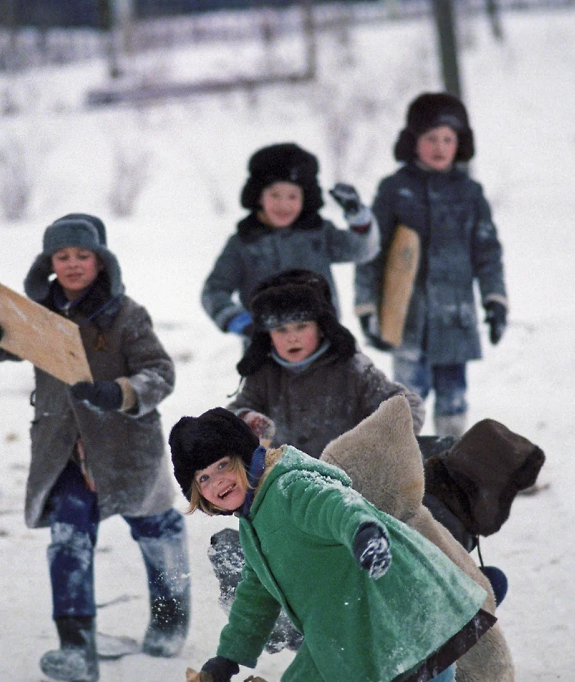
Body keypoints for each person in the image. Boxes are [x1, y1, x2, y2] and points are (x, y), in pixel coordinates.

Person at [169, 409, 572, 682]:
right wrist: (230, 656)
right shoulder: (253, 522)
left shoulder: (292, 485)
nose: (217, 481)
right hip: (347, 626)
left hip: (399, 612)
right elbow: (255, 593)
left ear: (245, 458)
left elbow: (338, 507)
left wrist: (363, 532)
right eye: (203, 478)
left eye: (223, 466)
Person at [0, 213, 190, 682]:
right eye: (61, 257)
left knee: (156, 529)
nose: (72, 265)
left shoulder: (128, 316)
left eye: (82, 256)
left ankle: (170, 616)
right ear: (49, 263)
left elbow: (160, 373)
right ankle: (75, 647)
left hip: (126, 448)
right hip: (63, 450)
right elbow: (3, 342)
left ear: (101, 261)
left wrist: (120, 392)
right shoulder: (37, 314)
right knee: (68, 536)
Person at [355, 93, 508, 438]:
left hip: (455, 318)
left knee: (454, 397)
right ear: (413, 142)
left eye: (448, 139)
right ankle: (408, 468)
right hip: (408, 319)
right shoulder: (395, 190)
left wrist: (495, 300)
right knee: (408, 400)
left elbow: (488, 253)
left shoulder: (470, 193)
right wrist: (368, 307)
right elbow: (371, 253)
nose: (439, 147)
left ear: (460, 143)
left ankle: (449, 461)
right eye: (430, 138)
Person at [228, 268, 423, 459]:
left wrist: (384, 439)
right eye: (281, 330)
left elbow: (405, 405)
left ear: (321, 328)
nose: (291, 338)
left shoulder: (352, 368)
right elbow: (230, 418)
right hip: (286, 482)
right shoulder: (263, 375)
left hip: (346, 481)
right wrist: (245, 420)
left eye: (301, 326)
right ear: (268, 337)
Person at [202, 143, 379, 339]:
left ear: (306, 198)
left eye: (292, 196)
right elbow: (214, 290)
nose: (283, 205)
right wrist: (240, 321)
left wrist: (358, 217)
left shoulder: (318, 233)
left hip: (324, 340)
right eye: (275, 195)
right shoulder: (244, 243)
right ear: (259, 197)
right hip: (266, 347)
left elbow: (363, 250)